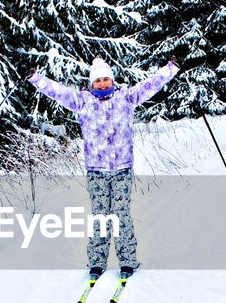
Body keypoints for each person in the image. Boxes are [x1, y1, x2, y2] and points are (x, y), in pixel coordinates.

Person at [27, 56, 179, 278]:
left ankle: (127, 261)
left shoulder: (126, 97)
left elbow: (150, 84)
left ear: (112, 80)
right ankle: (97, 262)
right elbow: (57, 91)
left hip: (122, 170)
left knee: (120, 215)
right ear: (91, 83)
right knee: (100, 217)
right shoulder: (82, 101)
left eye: (106, 79)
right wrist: (35, 78)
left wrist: (171, 69)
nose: (103, 83)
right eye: (98, 80)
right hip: (96, 172)